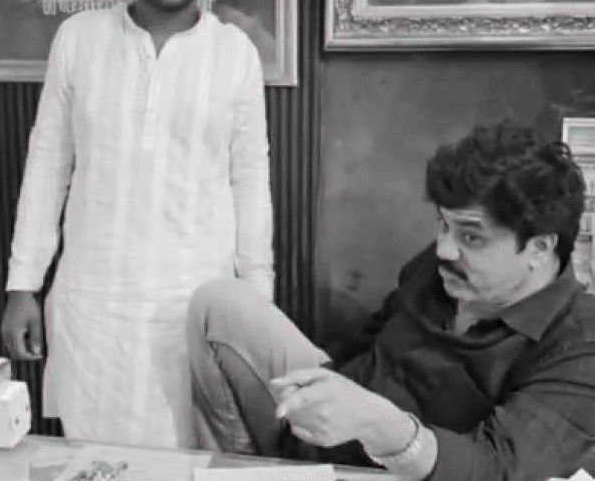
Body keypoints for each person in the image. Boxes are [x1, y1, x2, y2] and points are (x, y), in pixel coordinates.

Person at [187, 120, 595, 480]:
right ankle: (247, 468)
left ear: (539, 248)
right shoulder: (442, 267)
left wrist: (380, 424)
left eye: (471, 236)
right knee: (222, 305)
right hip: (330, 434)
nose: (444, 249)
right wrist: (327, 390)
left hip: (405, 470)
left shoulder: (579, 343)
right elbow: (365, 343)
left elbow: (497, 468)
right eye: (443, 224)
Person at [1, 0, 273, 449]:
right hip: (95, 306)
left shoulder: (235, 53)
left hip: (192, 307)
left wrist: (258, 304)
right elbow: (47, 164)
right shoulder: (79, 39)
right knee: (96, 459)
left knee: (189, 462)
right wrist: (23, 285)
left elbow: (250, 180)